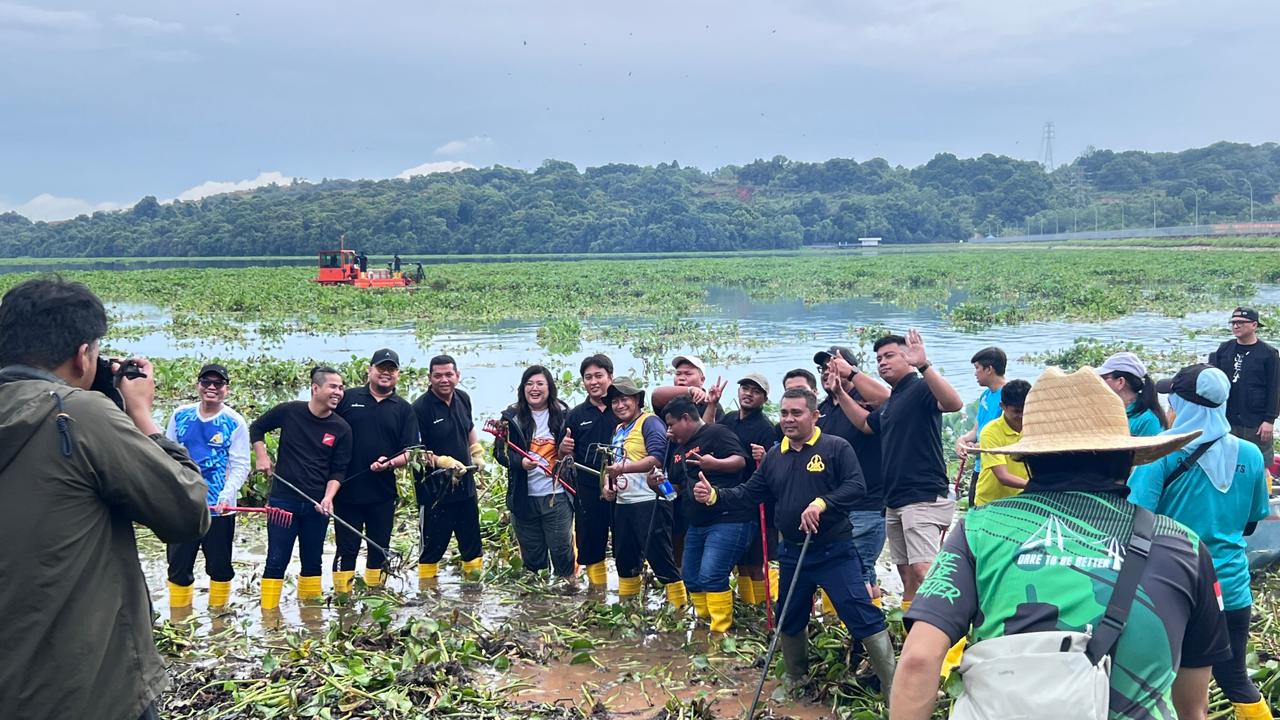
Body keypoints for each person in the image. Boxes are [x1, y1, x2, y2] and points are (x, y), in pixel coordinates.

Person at [893, 367, 1229, 720]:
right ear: (1127, 458)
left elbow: (919, 659)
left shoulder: (979, 529)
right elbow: (1193, 706)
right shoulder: (1183, 545)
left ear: (1027, 460)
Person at [0, 277, 209, 720]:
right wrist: (141, 415)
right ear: (83, 355)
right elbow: (187, 511)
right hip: (90, 687)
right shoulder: (80, 415)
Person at [693, 387, 896, 697]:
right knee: (789, 616)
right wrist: (715, 496)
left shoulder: (835, 448)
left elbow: (856, 486)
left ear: (814, 415)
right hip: (791, 553)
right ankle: (796, 680)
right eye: (784, 413)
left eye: (796, 413)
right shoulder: (775, 456)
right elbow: (749, 493)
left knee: (859, 613)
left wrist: (822, 503)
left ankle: (894, 686)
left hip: (834, 551)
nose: (788, 419)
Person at [1129, 364, 1273, 720]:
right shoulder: (1250, 454)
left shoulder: (1159, 452)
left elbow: (1134, 518)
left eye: (1173, 401)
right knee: (1235, 678)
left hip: (1171, 588)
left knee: (1162, 685)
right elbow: (1251, 522)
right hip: (1230, 587)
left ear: (1183, 405)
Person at [845, 331, 964, 610]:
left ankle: (952, 628)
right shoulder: (893, 400)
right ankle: (911, 628)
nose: (882, 363)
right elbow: (865, 424)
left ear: (907, 357)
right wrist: (840, 393)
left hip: (921, 494)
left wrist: (924, 365)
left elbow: (954, 403)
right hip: (895, 499)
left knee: (925, 569)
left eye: (889, 356)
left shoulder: (920, 388)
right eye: (878, 359)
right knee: (907, 574)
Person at [250, 366, 353, 609]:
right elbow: (257, 428)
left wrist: (328, 498)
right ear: (315, 388)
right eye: (333, 387)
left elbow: (338, 470)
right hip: (283, 502)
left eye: (341, 388)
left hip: (316, 505)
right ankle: (269, 616)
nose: (338, 392)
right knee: (276, 560)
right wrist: (262, 456)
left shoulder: (341, 428)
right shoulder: (290, 411)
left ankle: (311, 618)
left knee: (313, 561)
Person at [164, 363, 251, 612]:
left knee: (219, 567)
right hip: (184, 505)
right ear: (198, 385)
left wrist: (226, 495)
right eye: (206, 382)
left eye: (218, 383)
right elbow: (167, 455)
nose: (211, 387)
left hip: (219, 508)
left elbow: (240, 465)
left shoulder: (234, 422)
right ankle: (179, 619)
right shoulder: (180, 415)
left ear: (226, 389)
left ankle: (218, 617)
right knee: (178, 567)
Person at [333, 349, 417, 592]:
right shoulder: (348, 398)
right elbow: (325, 429)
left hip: (382, 493)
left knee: (379, 549)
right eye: (381, 368)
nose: (386, 373)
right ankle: (342, 599)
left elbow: (411, 451)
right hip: (346, 491)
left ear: (398, 374)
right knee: (346, 550)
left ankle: (375, 596)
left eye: (391, 369)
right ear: (370, 370)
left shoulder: (403, 408)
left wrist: (389, 463)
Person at [664, 396, 750, 630]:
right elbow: (675, 490)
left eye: (671, 424)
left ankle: (720, 631)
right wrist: (658, 485)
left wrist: (715, 464)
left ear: (686, 418)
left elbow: (740, 461)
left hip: (728, 518)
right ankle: (703, 626)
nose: (669, 430)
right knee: (691, 577)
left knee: (711, 575)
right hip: (697, 523)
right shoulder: (678, 450)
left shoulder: (716, 433)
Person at [817, 346, 891, 608]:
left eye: (833, 367)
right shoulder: (822, 410)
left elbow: (889, 399)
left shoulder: (868, 401)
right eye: (823, 369)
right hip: (836, 504)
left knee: (858, 567)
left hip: (867, 502)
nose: (827, 373)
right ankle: (859, 622)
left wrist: (849, 380)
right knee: (853, 569)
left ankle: (865, 625)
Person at [604, 377, 683, 606]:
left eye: (625, 399)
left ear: (637, 399)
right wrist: (607, 484)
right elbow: (612, 464)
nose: (620, 405)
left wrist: (623, 469)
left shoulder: (650, 422)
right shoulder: (618, 429)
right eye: (615, 401)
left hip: (651, 500)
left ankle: (679, 610)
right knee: (625, 560)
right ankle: (627, 609)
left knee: (661, 560)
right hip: (623, 503)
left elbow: (656, 458)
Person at [495, 365, 575, 583]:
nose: (534, 388)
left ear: (550, 388)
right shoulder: (510, 417)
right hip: (523, 497)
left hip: (557, 496)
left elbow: (576, 453)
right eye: (529, 384)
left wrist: (567, 451)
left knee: (562, 552)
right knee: (532, 559)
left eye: (540, 383)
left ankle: (567, 592)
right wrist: (520, 462)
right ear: (522, 388)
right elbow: (500, 453)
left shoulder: (565, 415)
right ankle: (538, 597)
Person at [412, 355, 487, 581]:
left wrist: (476, 451)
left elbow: (469, 428)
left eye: (449, 374)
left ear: (457, 376)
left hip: (466, 489)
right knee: (431, 550)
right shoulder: (419, 409)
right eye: (438, 376)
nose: (444, 380)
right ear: (429, 378)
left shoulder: (463, 398)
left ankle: (473, 592)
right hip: (435, 493)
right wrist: (441, 461)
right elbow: (414, 453)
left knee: (472, 547)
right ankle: (427, 594)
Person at [651, 355, 724, 566]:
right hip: (674, 477)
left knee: (697, 535)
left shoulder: (712, 405)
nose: (681, 378)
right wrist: (690, 391)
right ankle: (680, 577)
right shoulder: (671, 404)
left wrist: (709, 403)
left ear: (702, 379)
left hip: (699, 480)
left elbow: (707, 435)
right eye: (678, 374)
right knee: (674, 527)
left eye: (688, 374)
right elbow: (656, 395)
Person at [720, 373, 780, 606]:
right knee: (741, 562)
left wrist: (764, 457)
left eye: (755, 391)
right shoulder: (729, 419)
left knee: (756, 562)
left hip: (757, 502)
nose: (748, 394)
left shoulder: (766, 428)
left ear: (764, 399)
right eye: (745, 388)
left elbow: (774, 468)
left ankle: (763, 606)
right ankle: (748, 604)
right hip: (732, 496)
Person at [560, 354, 618, 589]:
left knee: (626, 541)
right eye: (588, 377)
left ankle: (628, 594)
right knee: (591, 543)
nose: (593, 382)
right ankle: (598, 594)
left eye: (598, 376)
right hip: (587, 488)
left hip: (621, 486)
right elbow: (564, 455)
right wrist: (563, 450)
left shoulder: (622, 407)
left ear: (610, 377)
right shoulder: (575, 415)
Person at [1209, 307, 1279, 465]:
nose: (1236, 326)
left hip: (1255, 420)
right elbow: (1213, 382)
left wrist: (1269, 420)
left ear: (1254, 325)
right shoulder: (1224, 349)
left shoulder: (1268, 353)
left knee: (1260, 462)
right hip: (1227, 417)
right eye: (1233, 322)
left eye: (1241, 322)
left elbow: (1275, 389)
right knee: (1225, 461)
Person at [954, 346, 1008, 502]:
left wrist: (975, 448)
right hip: (980, 466)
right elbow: (976, 430)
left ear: (989, 369)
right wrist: (962, 440)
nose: (975, 373)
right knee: (973, 507)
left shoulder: (1008, 396)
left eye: (977, 368)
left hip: (995, 467)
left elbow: (1005, 438)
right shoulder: (986, 395)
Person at [970, 379, 1031, 507]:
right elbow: (1003, 476)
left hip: (1023, 500)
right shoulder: (990, 432)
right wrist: (1036, 486)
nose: (1022, 416)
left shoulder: (1035, 427)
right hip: (991, 504)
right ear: (1002, 406)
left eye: (1026, 410)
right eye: (1017, 411)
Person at [1098, 351, 1168, 436]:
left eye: (1103, 378)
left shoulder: (1148, 420)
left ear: (1120, 382)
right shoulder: (1108, 411)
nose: (1098, 382)